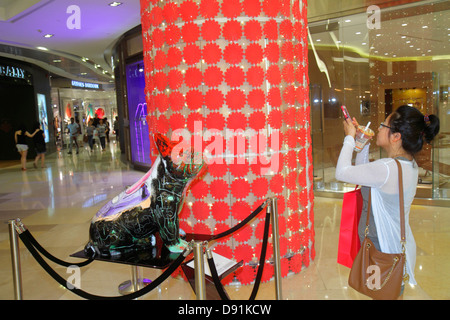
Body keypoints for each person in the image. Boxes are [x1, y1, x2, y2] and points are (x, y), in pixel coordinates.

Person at [335, 105, 439, 299]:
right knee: (390, 292)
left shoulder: (388, 168)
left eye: (384, 125)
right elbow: (364, 175)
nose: (379, 128)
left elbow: (341, 172)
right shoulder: (407, 165)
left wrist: (349, 137)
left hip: (382, 248)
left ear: (396, 136)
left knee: (384, 293)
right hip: (394, 245)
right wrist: (363, 142)